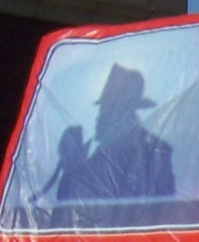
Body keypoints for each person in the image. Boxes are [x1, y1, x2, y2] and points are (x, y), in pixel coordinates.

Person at [52, 64, 176, 202]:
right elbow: (69, 207)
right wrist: (71, 166)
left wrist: (74, 171)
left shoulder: (156, 152)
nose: (98, 117)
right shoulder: (102, 154)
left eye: (106, 109)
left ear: (123, 111)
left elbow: (161, 211)